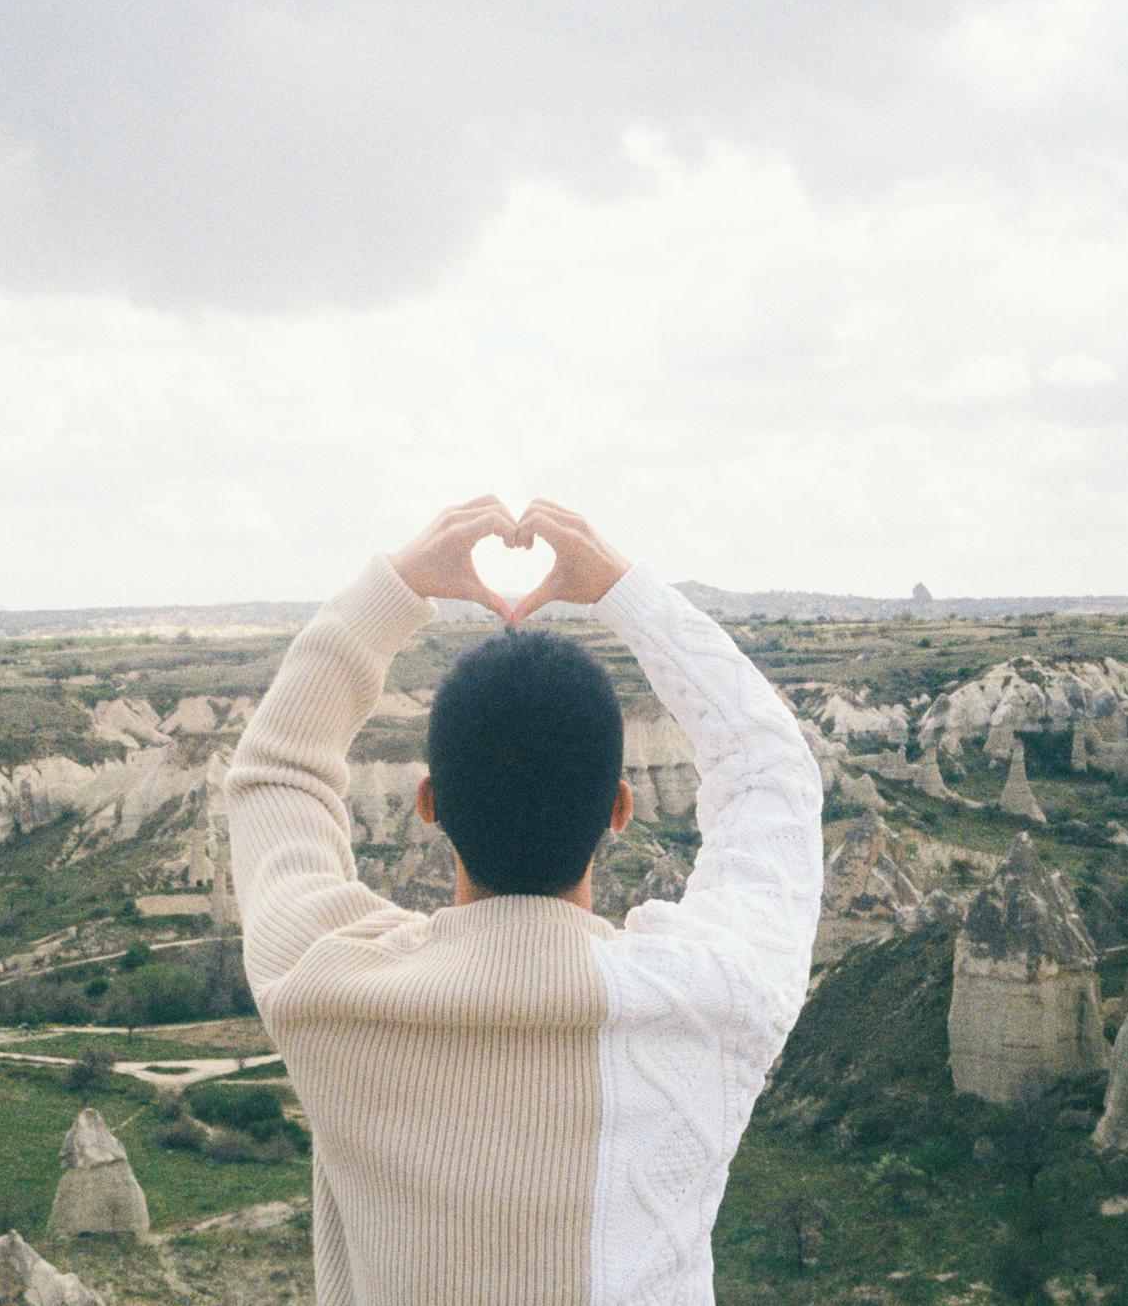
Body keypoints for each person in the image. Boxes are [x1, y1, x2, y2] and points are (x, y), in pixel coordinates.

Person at [225, 495, 825, 1305]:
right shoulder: (711, 1001)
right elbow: (770, 772)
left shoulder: (323, 989)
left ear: (427, 802)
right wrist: (625, 592)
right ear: (621, 807)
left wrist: (394, 590)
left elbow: (276, 774)